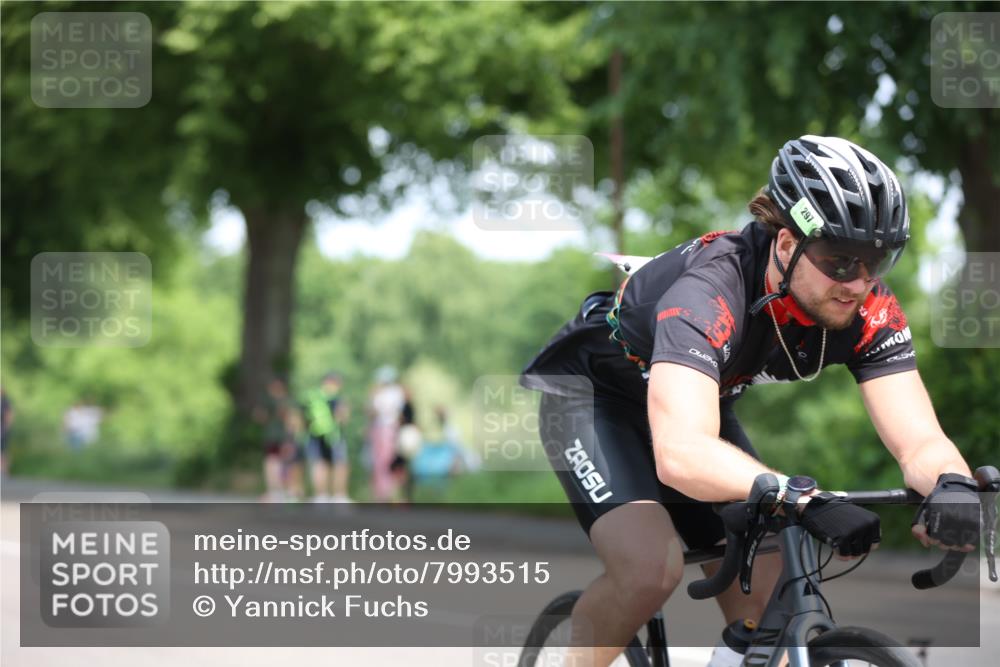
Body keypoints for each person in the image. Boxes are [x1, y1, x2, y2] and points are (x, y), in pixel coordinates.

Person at [520, 136, 981, 667]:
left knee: (774, 605)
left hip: (691, 406)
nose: (858, 282)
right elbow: (682, 453)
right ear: (786, 245)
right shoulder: (709, 294)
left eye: (877, 260)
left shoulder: (866, 308)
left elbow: (920, 439)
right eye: (840, 261)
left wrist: (954, 486)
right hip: (594, 399)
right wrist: (805, 498)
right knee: (650, 568)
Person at [303, 372, 352, 502]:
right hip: (334, 436)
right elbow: (343, 418)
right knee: (340, 464)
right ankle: (339, 495)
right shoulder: (337, 398)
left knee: (319, 464)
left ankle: (321, 495)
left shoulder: (313, 396)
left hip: (315, 434)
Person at [368, 366, 405, 501]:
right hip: (385, 429)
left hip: (386, 429)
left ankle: (387, 493)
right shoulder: (394, 392)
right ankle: (385, 493)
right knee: (383, 461)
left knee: (386, 461)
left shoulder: (390, 393)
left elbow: (373, 413)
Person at [1, 389, 12, 476]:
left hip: (2, 431)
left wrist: (6, 427)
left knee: (3, 451)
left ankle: (4, 471)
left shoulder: (5, 402)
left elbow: (9, 415)